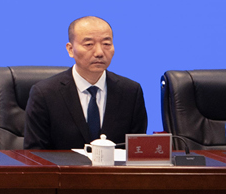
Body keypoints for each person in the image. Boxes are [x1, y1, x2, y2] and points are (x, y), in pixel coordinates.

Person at [23, 15, 149, 148]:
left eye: (106, 44)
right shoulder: (45, 93)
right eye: (89, 44)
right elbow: (34, 152)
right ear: (70, 49)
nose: (99, 52)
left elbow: (137, 150)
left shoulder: (130, 92)